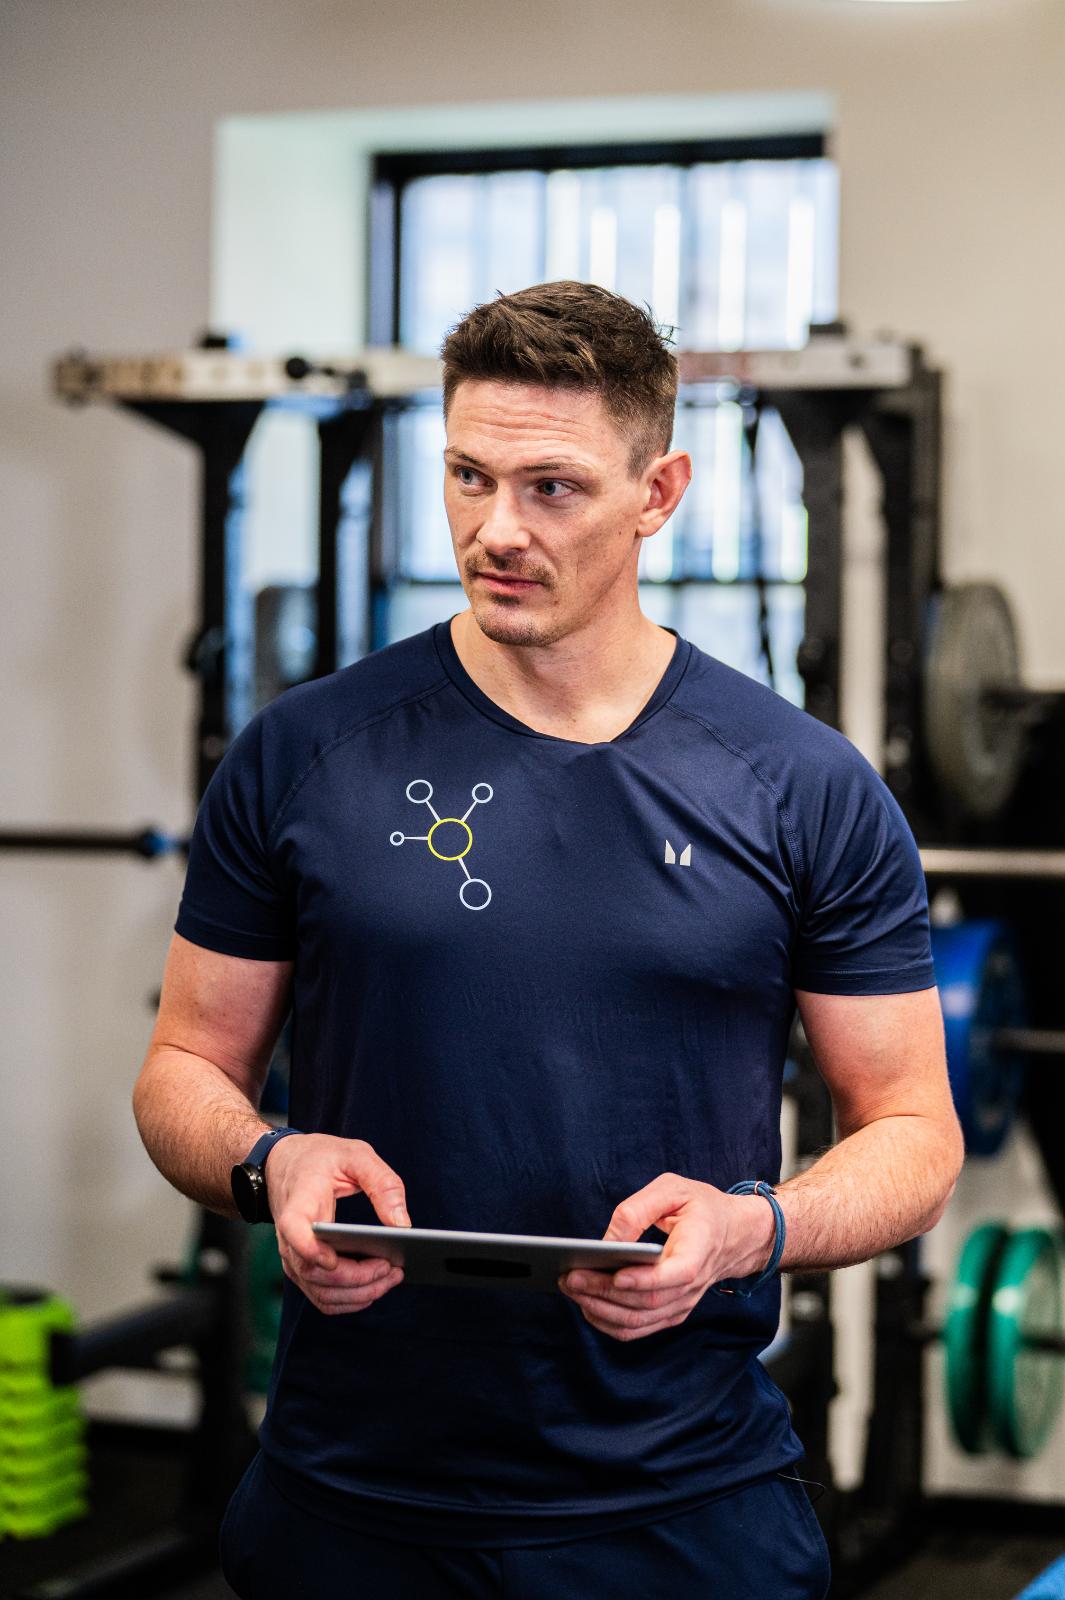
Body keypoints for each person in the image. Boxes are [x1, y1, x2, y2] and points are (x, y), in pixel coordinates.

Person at [132, 280, 963, 1600]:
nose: (495, 529)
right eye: (467, 476)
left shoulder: (800, 784)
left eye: (552, 488)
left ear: (660, 488)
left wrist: (751, 1229)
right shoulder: (303, 756)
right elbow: (182, 1067)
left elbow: (915, 1128)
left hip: (680, 1509)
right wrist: (268, 1162)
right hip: (351, 1498)